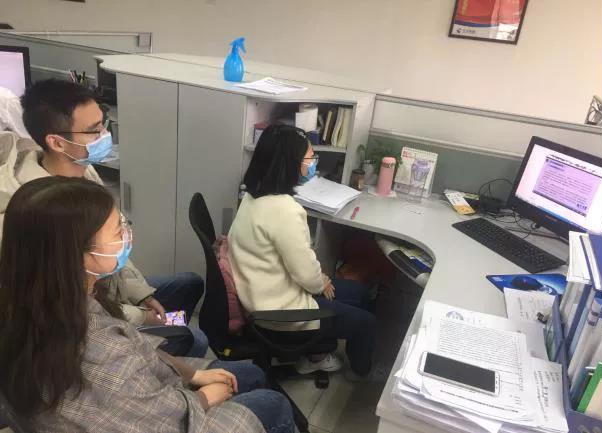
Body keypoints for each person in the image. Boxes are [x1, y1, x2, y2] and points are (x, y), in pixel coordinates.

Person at [0, 176, 295, 433]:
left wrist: (146, 298)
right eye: (118, 231)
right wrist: (204, 397)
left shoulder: (31, 295)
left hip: (132, 342)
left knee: (191, 288)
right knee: (269, 401)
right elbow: (159, 419)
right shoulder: (98, 350)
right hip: (151, 391)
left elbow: (122, 295)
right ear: (77, 255)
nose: (127, 233)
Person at [0, 79, 207, 356]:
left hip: (114, 290)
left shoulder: (81, 169)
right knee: (195, 338)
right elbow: (73, 307)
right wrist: (141, 317)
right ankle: (164, 355)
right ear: (57, 142)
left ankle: (168, 338)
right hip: (92, 321)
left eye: (103, 124)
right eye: (93, 130)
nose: (104, 135)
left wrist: (142, 294)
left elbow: (113, 243)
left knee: (190, 283)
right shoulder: (36, 214)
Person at [228, 124, 376, 377]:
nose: (313, 163)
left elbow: (302, 268)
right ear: (291, 163)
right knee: (366, 323)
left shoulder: (253, 195)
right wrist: (321, 281)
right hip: (279, 312)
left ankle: (317, 351)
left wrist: (319, 280)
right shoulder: (284, 210)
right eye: (309, 158)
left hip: (260, 292)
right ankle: (360, 375)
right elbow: (308, 276)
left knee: (359, 293)